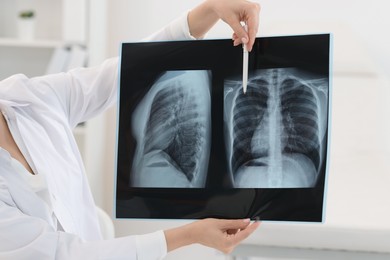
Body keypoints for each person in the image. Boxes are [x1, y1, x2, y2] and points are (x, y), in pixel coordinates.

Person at [0, 0, 261, 259]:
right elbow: (65, 255)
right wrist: (190, 235)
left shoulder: (28, 99)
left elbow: (123, 73)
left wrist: (207, 11)